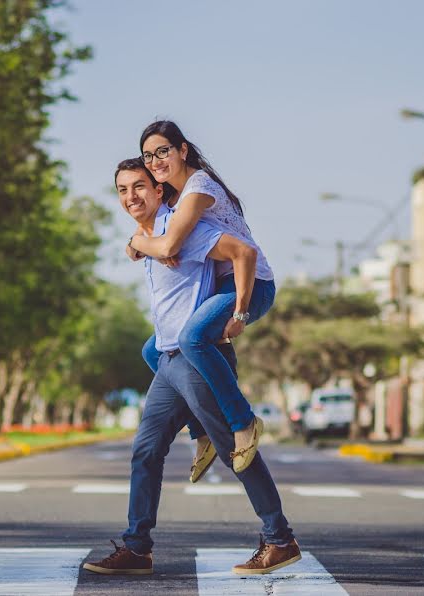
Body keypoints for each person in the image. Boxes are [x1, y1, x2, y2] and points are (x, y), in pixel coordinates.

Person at [82, 159, 300, 576]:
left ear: (160, 190)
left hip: (196, 361)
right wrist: (137, 243)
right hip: (168, 359)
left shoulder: (184, 231)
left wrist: (239, 313)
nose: (132, 197)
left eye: (140, 187)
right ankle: (136, 548)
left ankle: (280, 538)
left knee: (234, 449)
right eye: (123, 190)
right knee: (145, 451)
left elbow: (242, 253)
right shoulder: (147, 236)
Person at [126, 121, 276, 475]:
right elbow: (149, 237)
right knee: (153, 350)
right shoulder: (172, 196)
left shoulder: (198, 188)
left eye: (163, 151)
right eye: (148, 156)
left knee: (192, 338)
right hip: (217, 288)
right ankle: (202, 430)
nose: (155, 161)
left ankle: (243, 422)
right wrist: (143, 244)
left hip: (251, 284)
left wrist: (240, 314)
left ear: (182, 150)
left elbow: (166, 245)